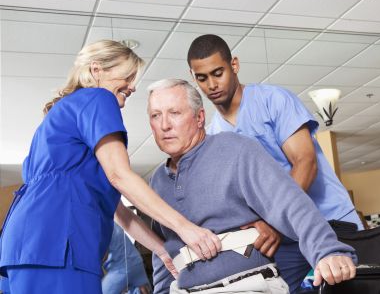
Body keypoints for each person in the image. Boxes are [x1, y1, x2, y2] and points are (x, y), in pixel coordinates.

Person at [0, 40, 223, 294]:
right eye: (127, 76)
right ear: (96, 70)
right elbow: (120, 175)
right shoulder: (97, 97)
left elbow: (120, 212)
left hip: (24, 247)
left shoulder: (66, 114)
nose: (133, 86)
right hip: (58, 242)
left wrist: (162, 250)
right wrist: (187, 229)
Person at [186, 34, 363, 292]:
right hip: (284, 240)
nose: (212, 84)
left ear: (234, 65)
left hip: (331, 223)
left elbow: (305, 163)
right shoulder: (215, 135)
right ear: (194, 78)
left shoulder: (273, 100)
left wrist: (272, 222)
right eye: (202, 78)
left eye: (218, 73)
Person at [146, 79, 357, 294]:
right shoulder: (157, 181)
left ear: (199, 117)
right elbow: (162, 251)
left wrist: (326, 250)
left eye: (174, 113)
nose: (164, 125)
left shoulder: (235, 149)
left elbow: (289, 203)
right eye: (155, 115)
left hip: (246, 286)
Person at [103, 223, 151, 294]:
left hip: (120, 268)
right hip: (137, 263)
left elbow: (103, 254)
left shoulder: (95, 225)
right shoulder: (110, 221)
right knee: (143, 291)